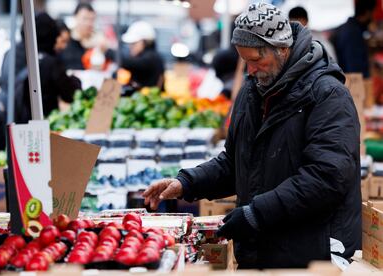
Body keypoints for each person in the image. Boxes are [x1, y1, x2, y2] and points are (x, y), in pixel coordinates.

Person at [143, 2, 361, 269]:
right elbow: (236, 163)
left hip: (313, 255)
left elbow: (326, 177)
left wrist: (256, 214)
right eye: (244, 61)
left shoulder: (327, 94)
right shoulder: (252, 91)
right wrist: (187, 183)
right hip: (263, 250)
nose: (250, 70)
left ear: (282, 49)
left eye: (256, 60)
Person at [0, 12, 81, 121]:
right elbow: (70, 93)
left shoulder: (10, 53)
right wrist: (75, 80)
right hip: (36, 128)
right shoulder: (47, 61)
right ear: (50, 35)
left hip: (9, 123)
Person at [111, 21, 165, 89]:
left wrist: (107, 51)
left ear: (145, 42)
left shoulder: (151, 57)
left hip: (150, 97)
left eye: (134, 43)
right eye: (130, 44)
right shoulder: (144, 56)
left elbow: (130, 63)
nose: (131, 46)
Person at [332, 0, 376, 78]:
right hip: (353, 84)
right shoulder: (353, 33)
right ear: (367, 13)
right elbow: (354, 69)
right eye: (372, 14)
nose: (373, 18)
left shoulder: (349, 28)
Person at [60, 3, 107, 69]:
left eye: (92, 19)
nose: (88, 23)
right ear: (75, 17)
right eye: (85, 19)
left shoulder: (99, 40)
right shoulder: (66, 39)